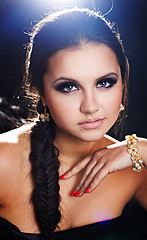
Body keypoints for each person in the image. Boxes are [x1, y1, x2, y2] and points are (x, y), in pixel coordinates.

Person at [0, 7, 146, 240]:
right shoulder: (3, 161)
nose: (90, 106)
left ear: (123, 81)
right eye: (69, 87)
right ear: (41, 93)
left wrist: (145, 150)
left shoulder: (136, 169)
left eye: (105, 83)